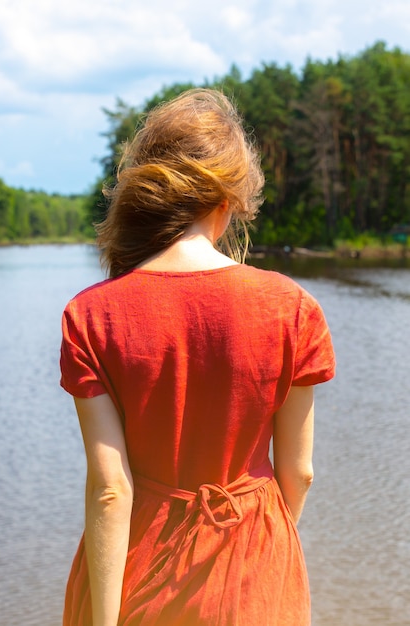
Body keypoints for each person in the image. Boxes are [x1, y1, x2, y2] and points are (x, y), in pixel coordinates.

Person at [60, 88, 335, 626]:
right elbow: (298, 473)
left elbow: (111, 490)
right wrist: (265, 550)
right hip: (256, 569)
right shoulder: (293, 308)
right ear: (228, 201)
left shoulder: (91, 316)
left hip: (136, 572)